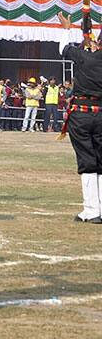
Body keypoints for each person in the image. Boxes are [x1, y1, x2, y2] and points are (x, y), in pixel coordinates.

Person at [56, 14, 102, 224]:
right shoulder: (91, 56)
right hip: (100, 113)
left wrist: (67, 28)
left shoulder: (87, 57)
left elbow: (63, 48)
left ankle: (91, 210)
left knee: (87, 161)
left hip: (83, 113)